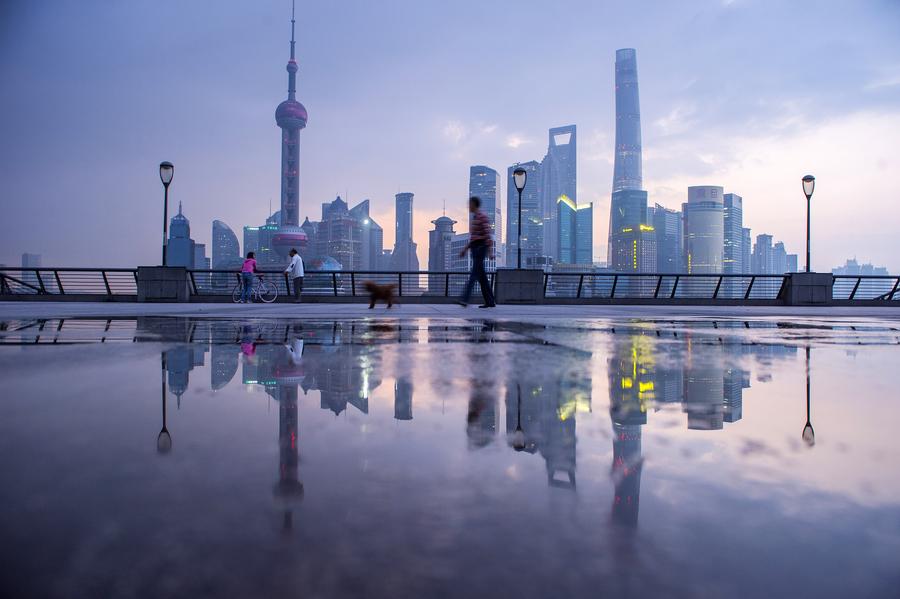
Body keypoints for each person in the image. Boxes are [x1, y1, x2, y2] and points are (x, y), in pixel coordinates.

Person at [458, 196, 497, 308]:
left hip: (481, 248)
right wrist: (465, 249)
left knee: (474, 274)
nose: (468, 206)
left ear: (474, 204)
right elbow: (473, 238)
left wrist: (490, 252)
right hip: (475, 248)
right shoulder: (475, 218)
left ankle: (465, 299)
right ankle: (490, 301)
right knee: (482, 278)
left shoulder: (482, 217)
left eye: (469, 204)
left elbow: (487, 235)